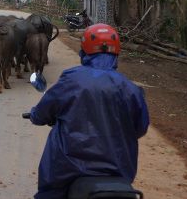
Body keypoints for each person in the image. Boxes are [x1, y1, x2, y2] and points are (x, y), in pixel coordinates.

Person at [29, 23, 149, 199]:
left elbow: (42, 113)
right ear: (116, 53)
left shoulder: (71, 80)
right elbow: (140, 128)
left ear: (84, 52)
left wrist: (34, 115)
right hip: (119, 170)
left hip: (67, 170)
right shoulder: (131, 89)